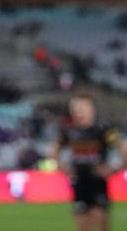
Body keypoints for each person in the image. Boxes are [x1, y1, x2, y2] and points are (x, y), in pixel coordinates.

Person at [52, 95, 125, 231]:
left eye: (81, 107)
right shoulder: (68, 131)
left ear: (91, 109)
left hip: (98, 183)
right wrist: (63, 168)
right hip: (79, 183)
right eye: (74, 108)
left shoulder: (103, 130)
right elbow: (54, 151)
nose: (77, 111)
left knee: (102, 224)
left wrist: (115, 169)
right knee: (83, 227)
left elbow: (124, 149)